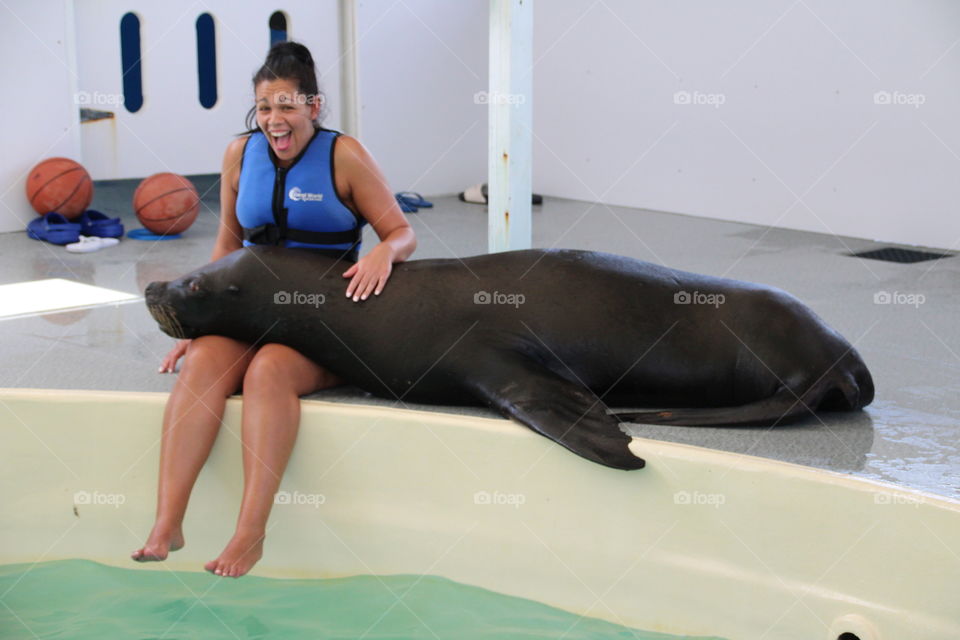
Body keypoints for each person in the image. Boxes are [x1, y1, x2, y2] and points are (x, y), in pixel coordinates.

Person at [131, 41, 416, 577]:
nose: (274, 120)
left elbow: (403, 232)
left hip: (325, 317)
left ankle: (250, 533)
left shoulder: (344, 155)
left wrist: (383, 250)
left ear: (313, 106)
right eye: (265, 107)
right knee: (203, 364)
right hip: (251, 311)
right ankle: (168, 521)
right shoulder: (240, 153)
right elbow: (226, 248)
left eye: (287, 106)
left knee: (267, 373)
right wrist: (195, 324)